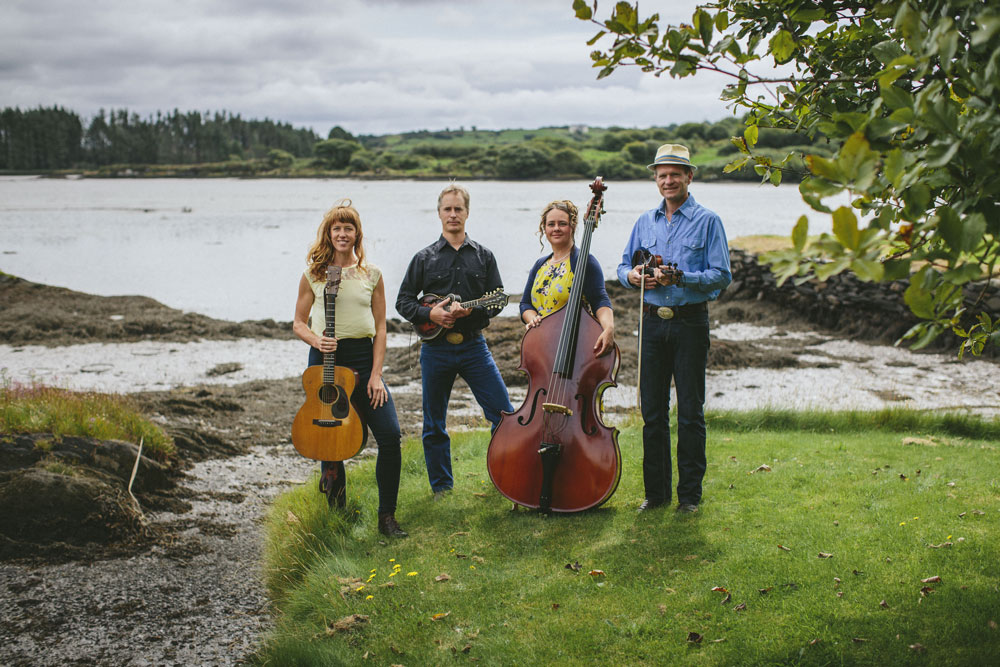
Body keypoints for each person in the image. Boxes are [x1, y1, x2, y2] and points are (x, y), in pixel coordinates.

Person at [617, 144, 731, 514]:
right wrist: (633, 276)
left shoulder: (709, 220)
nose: (668, 181)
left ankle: (690, 497)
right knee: (652, 412)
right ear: (656, 179)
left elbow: (720, 276)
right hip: (650, 322)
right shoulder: (644, 221)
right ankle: (657, 495)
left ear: (689, 177)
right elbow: (623, 268)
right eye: (662, 175)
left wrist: (682, 277)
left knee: (690, 413)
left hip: (689, 323)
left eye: (675, 174)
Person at [293, 200, 407, 537]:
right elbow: (298, 323)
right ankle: (338, 514)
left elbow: (381, 328)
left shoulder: (372, 275)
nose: (343, 234)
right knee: (330, 439)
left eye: (349, 228)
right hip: (326, 362)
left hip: (362, 358)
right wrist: (316, 341)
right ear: (329, 234)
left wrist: (375, 376)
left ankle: (387, 517)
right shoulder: (313, 274)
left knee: (390, 436)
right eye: (337, 228)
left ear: (357, 234)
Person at [396, 183, 514, 498]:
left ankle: (504, 479)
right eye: (447, 209)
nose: (452, 214)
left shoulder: (484, 256)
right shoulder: (423, 258)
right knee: (434, 423)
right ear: (439, 213)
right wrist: (429, 314)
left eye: (458, 209)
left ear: (467, 212)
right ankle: (442, 489)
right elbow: (403, 302)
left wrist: (470, 315)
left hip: (474, 346)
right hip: (434, 349)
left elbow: (498, 299)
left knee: (503, 415)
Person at [519, 199, 615, 357]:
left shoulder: (584, 262)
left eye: (562, 223)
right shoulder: (540, 265)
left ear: (573, 226)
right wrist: (533, 318)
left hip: (576, 347)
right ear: (544, 228)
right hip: (542, 345)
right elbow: (525, 304)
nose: (556, 228)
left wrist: (608, 328)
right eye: (551, 224)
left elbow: (600, 300)